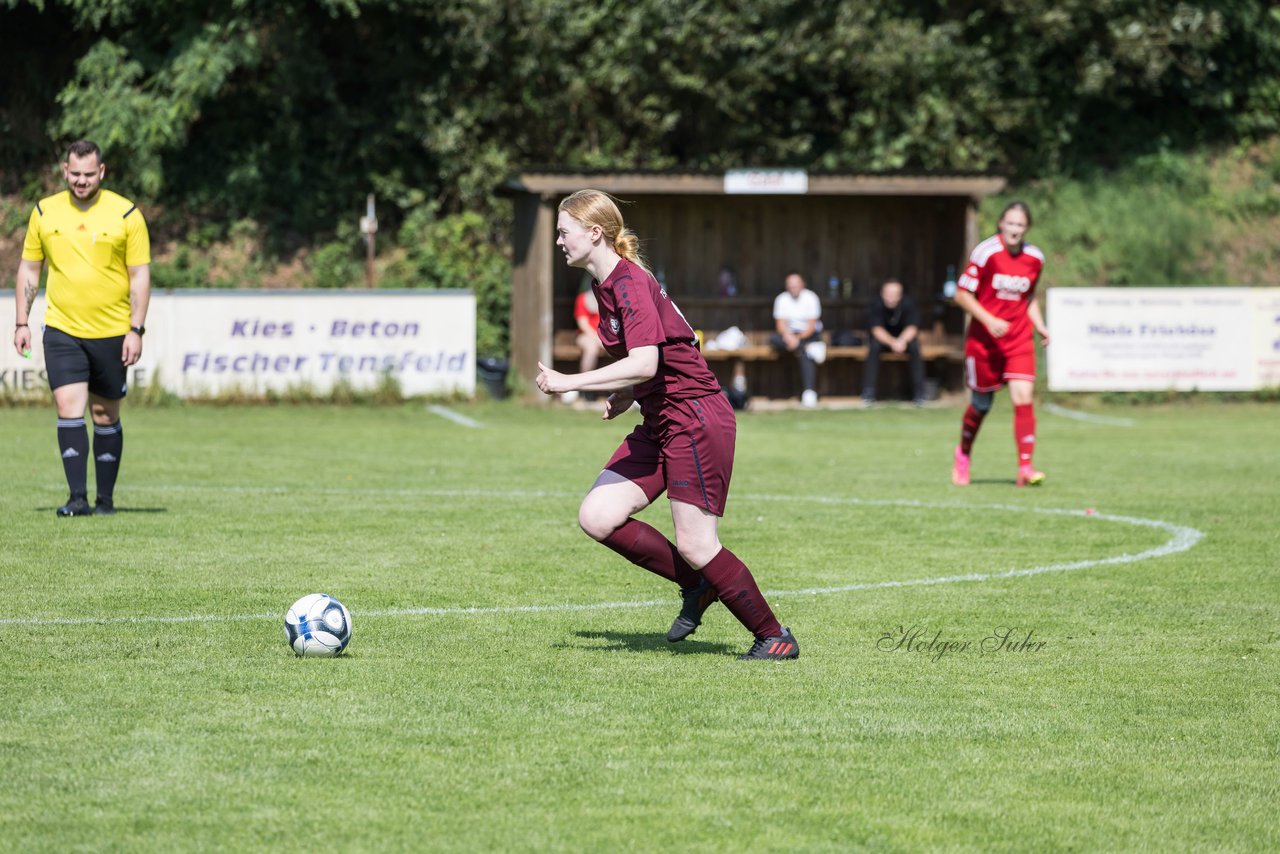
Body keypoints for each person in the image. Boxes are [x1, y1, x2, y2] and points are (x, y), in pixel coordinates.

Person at [535, 189, 798, 660]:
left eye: (563, 231)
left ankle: (773, 635)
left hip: (694, 417)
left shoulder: (628, 283)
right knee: (598, 516)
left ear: (594, 233)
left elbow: (646, 362)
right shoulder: (607, 284)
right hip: (662, 417)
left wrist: (569, 381)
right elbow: (665, 357)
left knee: (697, 543)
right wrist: (628, 392)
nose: (558, 241)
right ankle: (698, 586)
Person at [12, 140, 152, 516]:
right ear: (65, 170)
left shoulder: (126, 215)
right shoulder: (45, 212)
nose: (81, 181)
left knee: (106, 415)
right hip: (62, 329)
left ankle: (105, 501)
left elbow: (139, 275)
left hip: (111, 331)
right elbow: (29, 268)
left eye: (89, 174)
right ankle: (77, 499)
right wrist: (21, 321)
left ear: (101, 172)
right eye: (75, 174)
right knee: (68, 406)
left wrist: (135, 329)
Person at [951, 201, 1049, 488]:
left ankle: (1025, 467)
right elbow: (962, 294)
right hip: (984, 343)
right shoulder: (986, 253)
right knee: (981, 405)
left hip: (1018, 339)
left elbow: (1028, 299)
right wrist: (989, 319)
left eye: (1020, 225)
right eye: (1010, 223)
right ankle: (963, 455)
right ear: (1001, 224)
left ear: (1026, 227)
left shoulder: (1035, 258)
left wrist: (1040, 325)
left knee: (1024, 398)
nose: (1015, 230)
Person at [862, 278, 926, 405]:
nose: (891, 297)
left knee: (915, 347)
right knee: (873, 347)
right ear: (882, 293)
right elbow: (877, 330)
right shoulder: (876, 305)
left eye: (895, 294)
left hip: (904, 339)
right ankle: (868, 392)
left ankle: (919, 394)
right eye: (888, 294)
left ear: (900, 295)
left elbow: (912, 328)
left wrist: (901, 341)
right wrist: (893, 343)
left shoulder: (908, 304)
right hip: (884, 340)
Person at [769, 272, 823, 407]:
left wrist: (798, 340)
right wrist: (789, 337)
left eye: (796, 284)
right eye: (790, 285)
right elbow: (780, 324)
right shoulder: (781, 299)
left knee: (805, 351)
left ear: (802, 284)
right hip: (789, 335)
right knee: (774, 340)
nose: (793, 287)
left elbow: (811, 325)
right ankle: (810, 347)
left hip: (808, 334)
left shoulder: (811, 297)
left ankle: (809, 392)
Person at [561, 279, 603, 404]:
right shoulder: (582, 299)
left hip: (604, 336)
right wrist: (597, 338)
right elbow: (583, 324)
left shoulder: (607, 299)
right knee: (591, 349)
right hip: (586, 335)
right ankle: (586, 388)